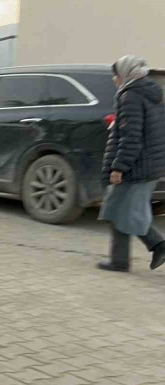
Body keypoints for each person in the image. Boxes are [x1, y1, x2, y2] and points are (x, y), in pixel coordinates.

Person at [98, 55, 165, 272]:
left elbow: (131, 136)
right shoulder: (152, 93)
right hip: (150, 164)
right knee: (126, 211)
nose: (114, 79)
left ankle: (155, 246)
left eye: (115, 75)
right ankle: (123, 259)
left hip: (136, 166)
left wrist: (119, 168)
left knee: (119, 210)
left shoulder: (130, 96)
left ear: (125, 74)